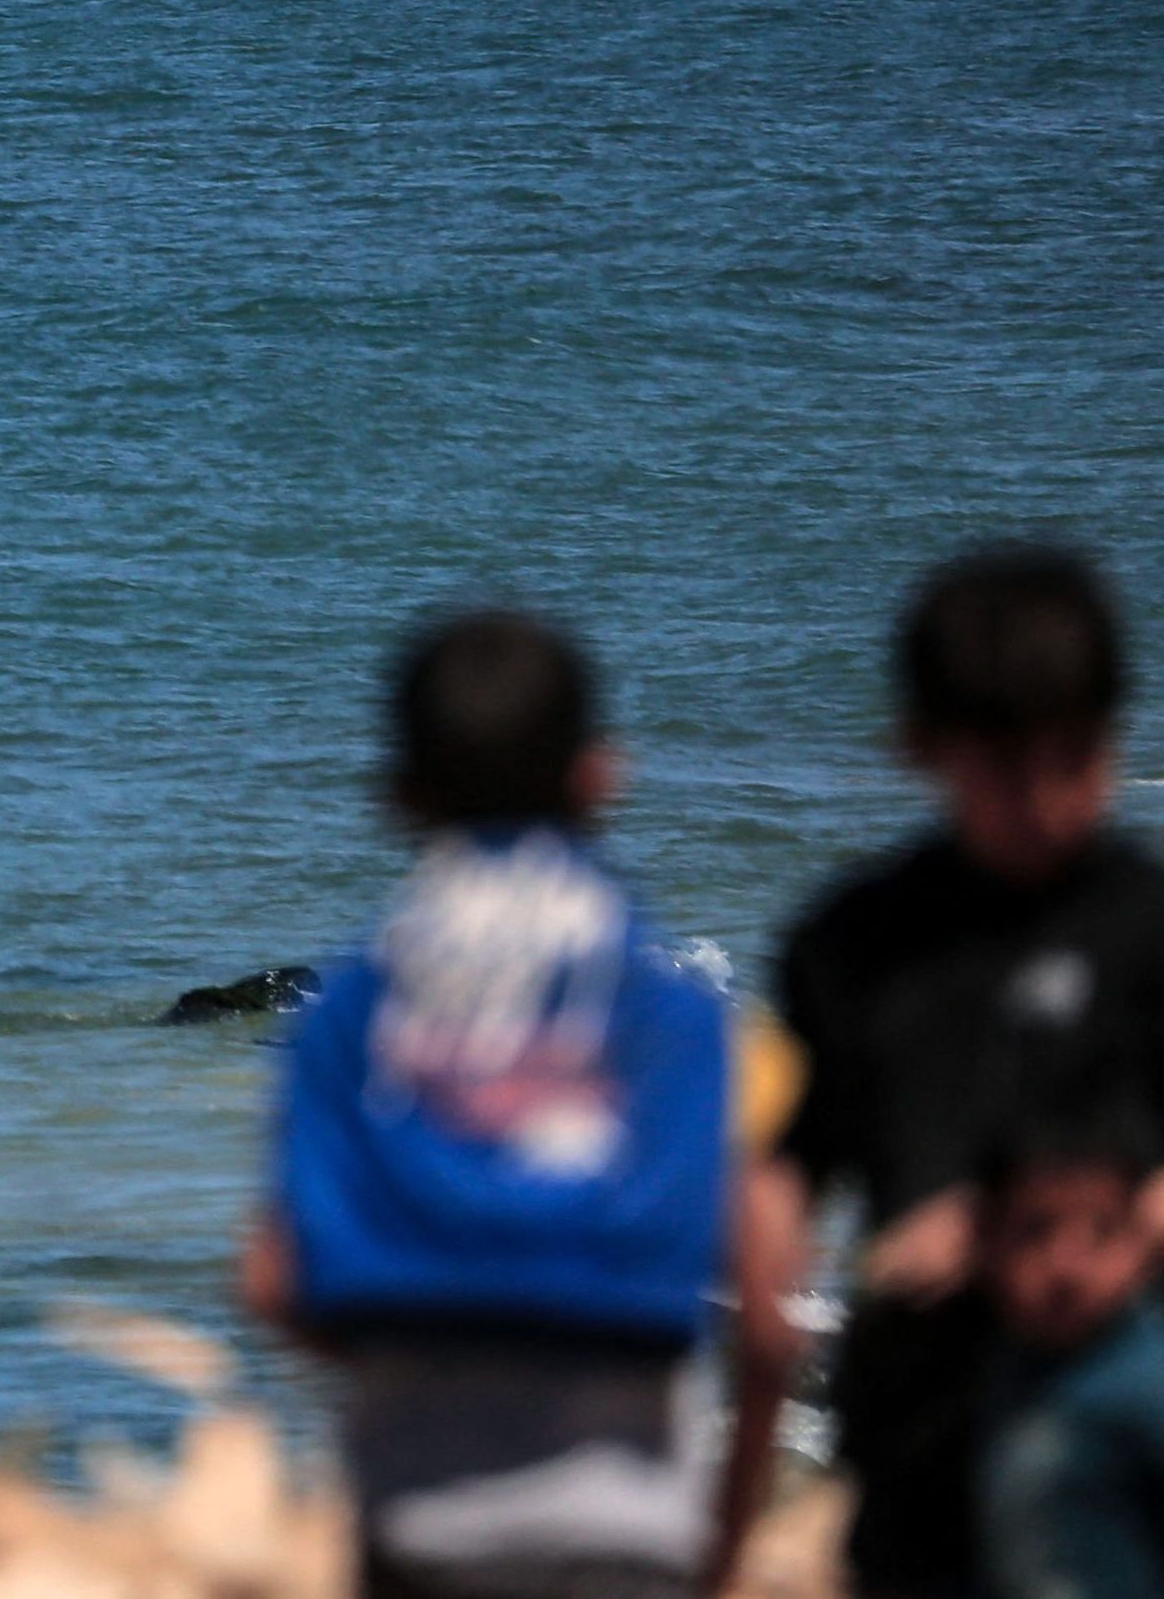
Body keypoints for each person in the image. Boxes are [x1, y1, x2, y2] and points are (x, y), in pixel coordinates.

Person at [244, 609, 804, 1599]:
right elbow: (763, 1320)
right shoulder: (676, 1018)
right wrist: (724, 1544)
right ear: (601, 775)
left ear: (396, 794)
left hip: (422, 1526)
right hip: (628, 1535)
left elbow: (273, 1282)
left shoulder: (346, 1018)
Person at [779, 546, 1157, 1599]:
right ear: (919, 749)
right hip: (923, 1422)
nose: (1040, 796)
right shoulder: (852, 944)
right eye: (1003, 766)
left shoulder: (1148, 932)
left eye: (1071, 756)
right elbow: (791, 1183)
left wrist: (1045, 1236)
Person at [978, 1104, 1164, 1599]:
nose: (1066, 1267)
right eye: (1035, 1230)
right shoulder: (1000, 1370)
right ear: (984, 1240)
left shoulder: (1150, 1386)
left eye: (1102, 1231)